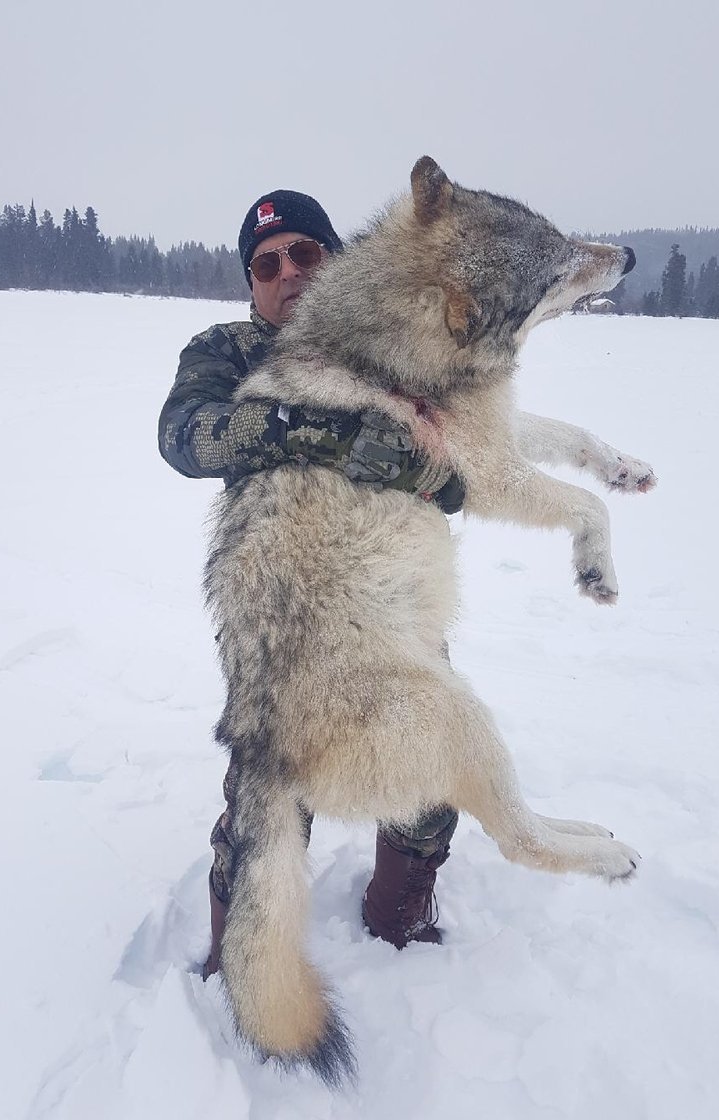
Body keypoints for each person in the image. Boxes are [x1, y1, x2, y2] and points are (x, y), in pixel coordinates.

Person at [158, 189, 464, 978]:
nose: (287, 272)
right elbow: (185, 436)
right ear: (251, 285)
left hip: (390, 604)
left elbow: (465, 475)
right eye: (266, 264)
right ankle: (243, 956)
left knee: (429, 767)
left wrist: (418, 463)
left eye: (305, 253)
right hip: (280, 611)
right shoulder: (226, 351)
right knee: (270, 792)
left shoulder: (398, 347)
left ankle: (399, 915)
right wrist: (320, 431)